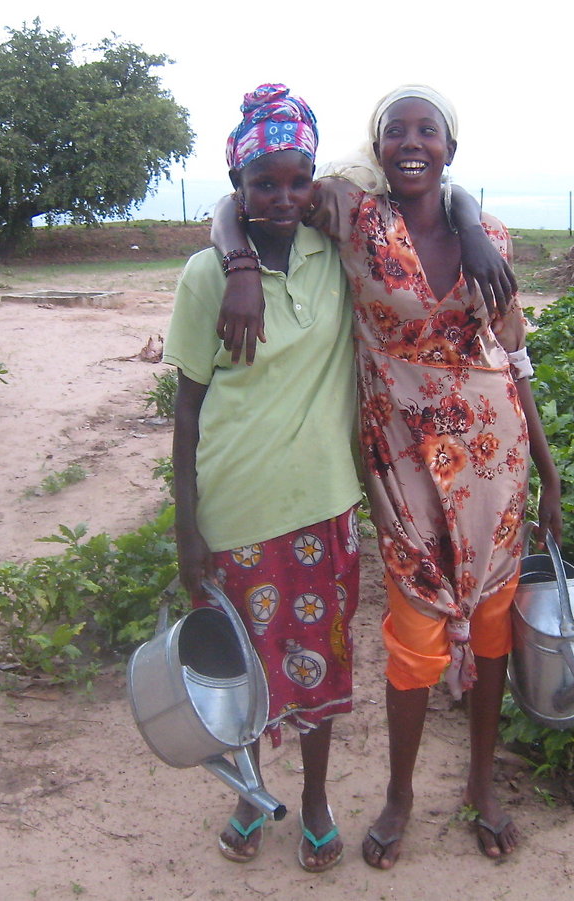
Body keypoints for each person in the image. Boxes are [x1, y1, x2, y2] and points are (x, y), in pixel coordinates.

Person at [212, 84, 562, 869]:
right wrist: (237, 264)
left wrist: (548, 463)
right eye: (395, 130)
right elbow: (245, 195)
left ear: (450, 146)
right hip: (403, 468)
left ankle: (480, 786)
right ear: (376, 146)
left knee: (496, 625)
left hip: (495, 466)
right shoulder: (351, 217)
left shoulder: (492, 236)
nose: (412, 142)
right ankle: (400, 795)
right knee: (413, 638)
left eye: (427, 130)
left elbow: (514, 352)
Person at [165, 84, 361, 873]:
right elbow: (186, 413)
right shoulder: (205, 277)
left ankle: (313, 798)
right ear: (236, 183)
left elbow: (415, 174)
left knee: (319, 663)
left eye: (297, 179)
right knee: (241, 672)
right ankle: (250, 791)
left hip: (324, 501)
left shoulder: (337, 253)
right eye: (262, 183)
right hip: (235, 508)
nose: (283, 197)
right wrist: (187, 526)